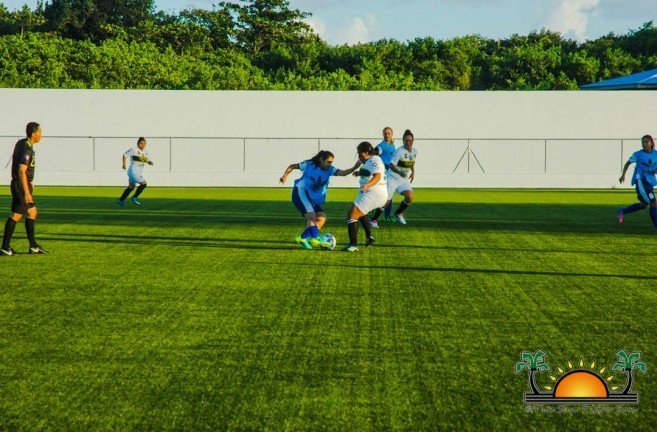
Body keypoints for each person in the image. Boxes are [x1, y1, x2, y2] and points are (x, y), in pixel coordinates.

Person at [280, 150, 360, 249]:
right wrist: (285, 175)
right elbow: (292, 166)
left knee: (321, 218)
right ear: (321, 160)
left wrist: (355, 167)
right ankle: (315, 237)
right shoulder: (309, 164)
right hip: (300, 191)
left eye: (331, 162)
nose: (330, 164)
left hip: (311, 198)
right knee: (312, 217)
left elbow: (343, 173)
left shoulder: (330, 169)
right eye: (328, 162)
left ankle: (303, 237)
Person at [1, 122, 47, 255]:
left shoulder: (22, 143)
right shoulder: (26, 148)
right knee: (16, 215)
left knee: (32, 212)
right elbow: (22, 170)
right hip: (21, 186)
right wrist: (27, 192)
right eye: (39, 132)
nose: (41, 135)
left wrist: (30, 182)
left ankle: (33, 246)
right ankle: (5, 247)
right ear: (33, 134)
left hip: (22, 184)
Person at [344, 141, 388, 252]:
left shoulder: (374, 160)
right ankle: (369, 236)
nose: (358, 156)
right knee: (361, 213)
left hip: (375, 192)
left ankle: (353, 245)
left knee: (352, 215)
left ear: (367, 153)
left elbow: (377, 176)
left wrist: (367, 185)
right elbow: (368, 173)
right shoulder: (368, 161)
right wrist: (359, 173)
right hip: (370, 192)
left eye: (360, 154)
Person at [371, 129, 417, 225]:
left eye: (410, 140)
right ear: (403, 141)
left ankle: (398, 213)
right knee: (386, 201)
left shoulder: (414, 151)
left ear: (413, 140)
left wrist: (413, 173)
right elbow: (391, 165)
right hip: (392, 178)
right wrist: (400, 173)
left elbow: (411, 162)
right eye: (406, 141)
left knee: (409, 196)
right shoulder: (399, 151)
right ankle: (373, 219)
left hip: (403, 180)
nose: (408, 142)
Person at [618, 134, 657, 230]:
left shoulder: (656, 154)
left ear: (651, 143)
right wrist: (623, 175)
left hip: (649, 182)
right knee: (654, 203)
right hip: (641, 181)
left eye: (646, 142)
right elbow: (628, 163)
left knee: (644, 205)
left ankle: (623, 211)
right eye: (642, 142)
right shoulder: (637, 154)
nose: (644, 144)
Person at [116, 137, 153, 206]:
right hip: (133, 172)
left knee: (131, 187)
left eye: (144, 144)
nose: (143, 145)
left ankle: (120, 200)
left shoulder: (145, 153)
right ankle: (134, 197)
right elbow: (124, 155)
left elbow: (147, 160)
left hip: (137, 173)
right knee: (144, 184)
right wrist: (124, 164)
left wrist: (150, 162)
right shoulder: (134, 150)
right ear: (138, 144)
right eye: (141, 143)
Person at [371, 126, 396, 228]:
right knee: (384, 196)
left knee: (389, 195)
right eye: (385, 133)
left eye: (388, 133)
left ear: (392, 134)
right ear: (383, 134)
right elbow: (377, 151)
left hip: (391, 173)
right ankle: (373, 216)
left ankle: (386, 216)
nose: (387, 135)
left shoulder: (393, 146)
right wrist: (373, 151)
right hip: (384, 174)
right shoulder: (382, 145)